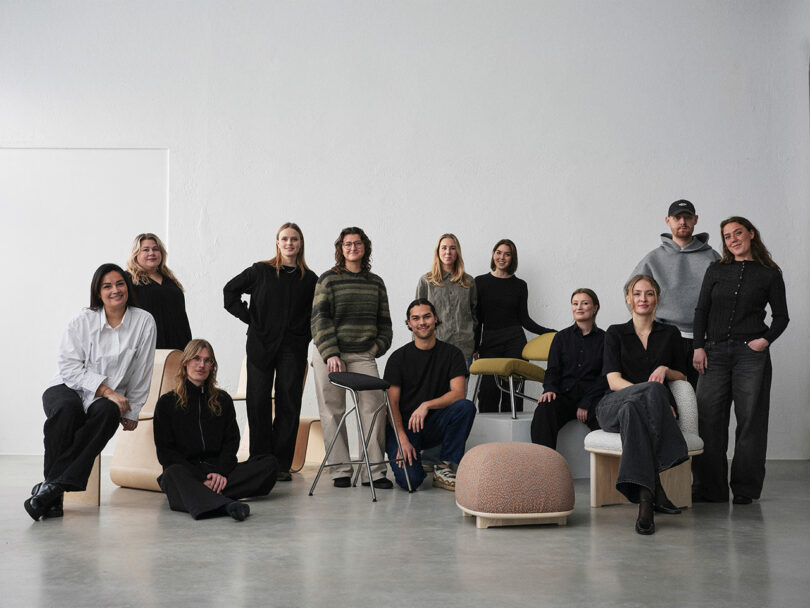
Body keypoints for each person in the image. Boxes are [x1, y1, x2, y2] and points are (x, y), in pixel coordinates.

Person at [25, 263, 157, 521]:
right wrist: (107, 390)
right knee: (66, 410)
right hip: (65, 385)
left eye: (120, 283)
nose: (115, 290)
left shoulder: (144, 321)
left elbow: (142, 371)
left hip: (104, 398)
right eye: (107, 286)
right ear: (98, 292)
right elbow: (68, 366)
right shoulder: (82, 320)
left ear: (127, 287)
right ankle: (54, 490)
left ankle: (49, 489)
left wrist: (133, 409)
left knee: (109, 411)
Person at [691, 217, 789, 505]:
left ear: (751, 234)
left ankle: (745, 489)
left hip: (751, 355)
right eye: (727, 236)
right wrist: (698, 347)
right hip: (714, 353)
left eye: (738, 233)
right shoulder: (716, 270)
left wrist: (765, 340)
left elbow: (781, 316)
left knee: (751, 421)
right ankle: (710, 488)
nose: (733, 239)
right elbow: (701, 311)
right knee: (708, 419)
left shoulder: (769, 273)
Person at [223, 222, 317, 481]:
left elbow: (316, 313)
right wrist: (251, 320)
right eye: (285, 239)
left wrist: (304, 335)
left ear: (301, 243)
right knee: (258, 401)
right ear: (277, 242)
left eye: (294, 239)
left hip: (293, 349)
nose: (289, 243)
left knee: (289, 402)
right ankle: (260, 460)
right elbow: (229, 292)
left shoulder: (309, 279)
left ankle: (280, 465)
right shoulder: (260, 271)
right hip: (260, 346)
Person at [596, 274, 688, 535]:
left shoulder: (670, 334)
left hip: (631, 412)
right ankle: (656, 489)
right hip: (611, 406)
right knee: (644, 395)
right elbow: (614, 382)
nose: (643, 298)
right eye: (637, 293)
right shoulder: (615, 332)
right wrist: (653, 397)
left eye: (649, 293)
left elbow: (682, 375)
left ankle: (646, 501)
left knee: (633, 411)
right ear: (628, 299)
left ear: (657, 298)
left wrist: (665, 369)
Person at [153, 339, 278, 521]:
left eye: (207, 360)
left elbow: (231, 442)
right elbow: (166, 453)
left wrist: (220, 473)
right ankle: (226, 505)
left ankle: (199, 495)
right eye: (196, 358)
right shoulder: (167, 403)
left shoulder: (223, 400)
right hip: (186, 472)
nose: (202, 365)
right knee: (172, 475)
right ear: (186, 362)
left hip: (220, 471)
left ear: (213, 366)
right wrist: (201, 477)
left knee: (269, 464)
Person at [311, 227, 394, 489]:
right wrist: (331, 353)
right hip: (329, 353)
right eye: (347, 244)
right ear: (340, 248)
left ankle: (375, 471)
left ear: (365, 247)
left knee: (373, 407)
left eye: (357, 243)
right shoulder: (328, 280)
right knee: (332, 409)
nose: (352, 248)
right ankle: (340, 471)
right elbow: (319, 319)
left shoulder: (376, 282)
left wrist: (375, 349)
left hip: (362, 354)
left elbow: (385, 324)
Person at [384, 299, 476, 491]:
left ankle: (445, 466)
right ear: (409, 324)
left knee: (465, 407)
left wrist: (426, 405)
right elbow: (391, 404)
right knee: (411, 481)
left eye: (426, 316)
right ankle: (418, 461)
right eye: (415, 318)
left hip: (434, 423)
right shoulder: (398, 358)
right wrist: (402, 439)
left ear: (435, 319)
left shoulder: (452, 354)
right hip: (404, 427)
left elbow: (458, 393)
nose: (422, 322)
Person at [629, 200, 720, 389]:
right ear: (668, 221)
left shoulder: (712, 257)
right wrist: (645, 330)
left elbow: (725, 298)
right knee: (665, 398)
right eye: (677, 217)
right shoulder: (653, 258)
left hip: (704, 341)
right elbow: (631, 292)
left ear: (695, 220)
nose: (682, 222)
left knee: (704, 401)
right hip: (664, 338)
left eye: (687, 217)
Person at [474, 238, 554, 413]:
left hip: (515, 341)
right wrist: (475, 346)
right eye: (499, 252)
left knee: (514, 391)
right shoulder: (479, 282)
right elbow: (477, 319)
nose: (502, 257)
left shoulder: (520, 285)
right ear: (493, 255)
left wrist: (550, 332)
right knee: (488, 391)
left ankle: (512, 437)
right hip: (489, 341)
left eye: (507, 254)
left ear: (512, 258)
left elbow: (525, 319)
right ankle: (490, 436)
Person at [531, 288, 606, 449]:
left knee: (607, 419)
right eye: (575, 303)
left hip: (593, 398)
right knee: (544, 410)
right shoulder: (561, 337)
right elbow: (552, 369)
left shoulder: (606, 339)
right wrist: (549, 389)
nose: (579, 307)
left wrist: (586, 402)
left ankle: (609, 472)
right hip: (564, 396)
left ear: (595, 308)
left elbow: (605, 376)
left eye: (585, 303)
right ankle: (544, 464)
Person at [415, 233, 477, 363]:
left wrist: (475, 345)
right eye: (444, 248)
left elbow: (474, 315)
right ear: (438, 252)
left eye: (452, 248)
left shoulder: (468, 281)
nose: (448, 252)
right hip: (435, 347)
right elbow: (416, 317)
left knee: (461, 384)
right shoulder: (426, 281)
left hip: (463, 348)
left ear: (457, 252)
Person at [126, 232, 192, 350]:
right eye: (145, 250)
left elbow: (182, 316)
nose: (151, 253)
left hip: (178, 346)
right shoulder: (128, 280)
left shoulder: (170, 280)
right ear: (136, 254)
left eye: (155, 249)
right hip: (148, 346)